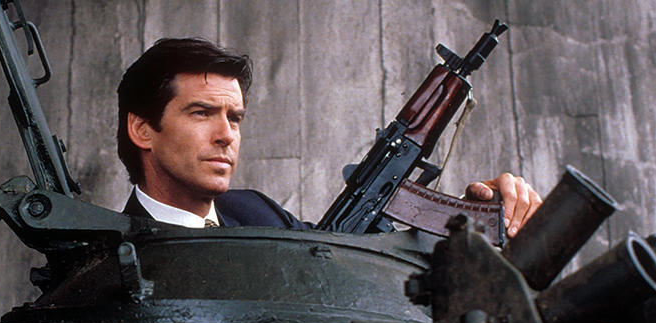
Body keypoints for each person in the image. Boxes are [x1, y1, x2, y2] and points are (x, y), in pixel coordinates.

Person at [117, 38, 541, 236]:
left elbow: (357, 263)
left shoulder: (255, 211)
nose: (227, 135)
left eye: (235, 118)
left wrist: (471, 218)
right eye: (202, 113)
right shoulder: (112, 259)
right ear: (142, 129)